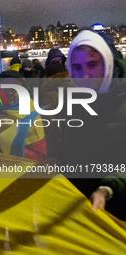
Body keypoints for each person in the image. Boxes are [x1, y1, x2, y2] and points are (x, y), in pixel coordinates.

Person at [43, 30, 126, 220]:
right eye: (77, 67)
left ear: (107, 61)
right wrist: (57, 159)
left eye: (92, 64)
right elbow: (74, 149)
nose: (85, 76)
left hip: (117, 213)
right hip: (80, 210)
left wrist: (108, 188)